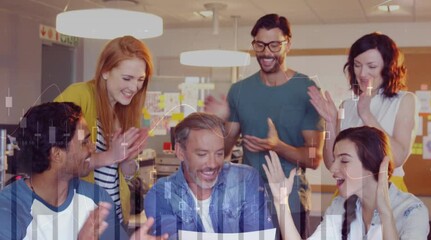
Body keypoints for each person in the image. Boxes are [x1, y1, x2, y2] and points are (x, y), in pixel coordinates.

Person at [204, 13, 324, 238]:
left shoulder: (306, 89)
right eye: (260, 45)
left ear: (288, 44)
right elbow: (225, 149)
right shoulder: (239, 91)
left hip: (292, 199)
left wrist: (277, 145)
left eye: (274, 45)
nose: (266, 52)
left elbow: (314, 158)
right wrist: (219, 120)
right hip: (249, 199)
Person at [0, 102, 168, 240]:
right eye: (85, 142)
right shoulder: (8, 210)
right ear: (57, 154)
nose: (92, 147)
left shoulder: (97, 198)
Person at [263, 126, 429, 240]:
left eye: (344, 160)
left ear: (373, 164)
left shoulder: (412, 210)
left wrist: (385, 212)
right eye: (335, 159)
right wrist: (281, 202)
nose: (333, 168)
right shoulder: (339, 206)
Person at [55, 35, 151, 223]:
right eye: (127, 78)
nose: (134, 87)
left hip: (113, 219)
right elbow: (55, 160)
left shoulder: (126, 110)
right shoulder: (79, 95)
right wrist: (111, 155)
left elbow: (122, 174)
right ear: (105, 71)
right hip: (80, 221)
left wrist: (128, 160)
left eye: (140, 79)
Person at [308, 32, 418, 192]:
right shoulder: (347, 105)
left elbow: (398, 158)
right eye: (357, 65)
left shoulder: (405, 100)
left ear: (388, 68)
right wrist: (330, 123)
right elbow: (332, 163)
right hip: (348, 189)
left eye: (371, 66)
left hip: (387, 189)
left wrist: (366, 115)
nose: (362, 73)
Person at [144, 112, 274, 239]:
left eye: (219, 153)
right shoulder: (161, 194)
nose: (213, 164)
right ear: (180, 152)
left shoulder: (246, 180)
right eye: (202, 154)